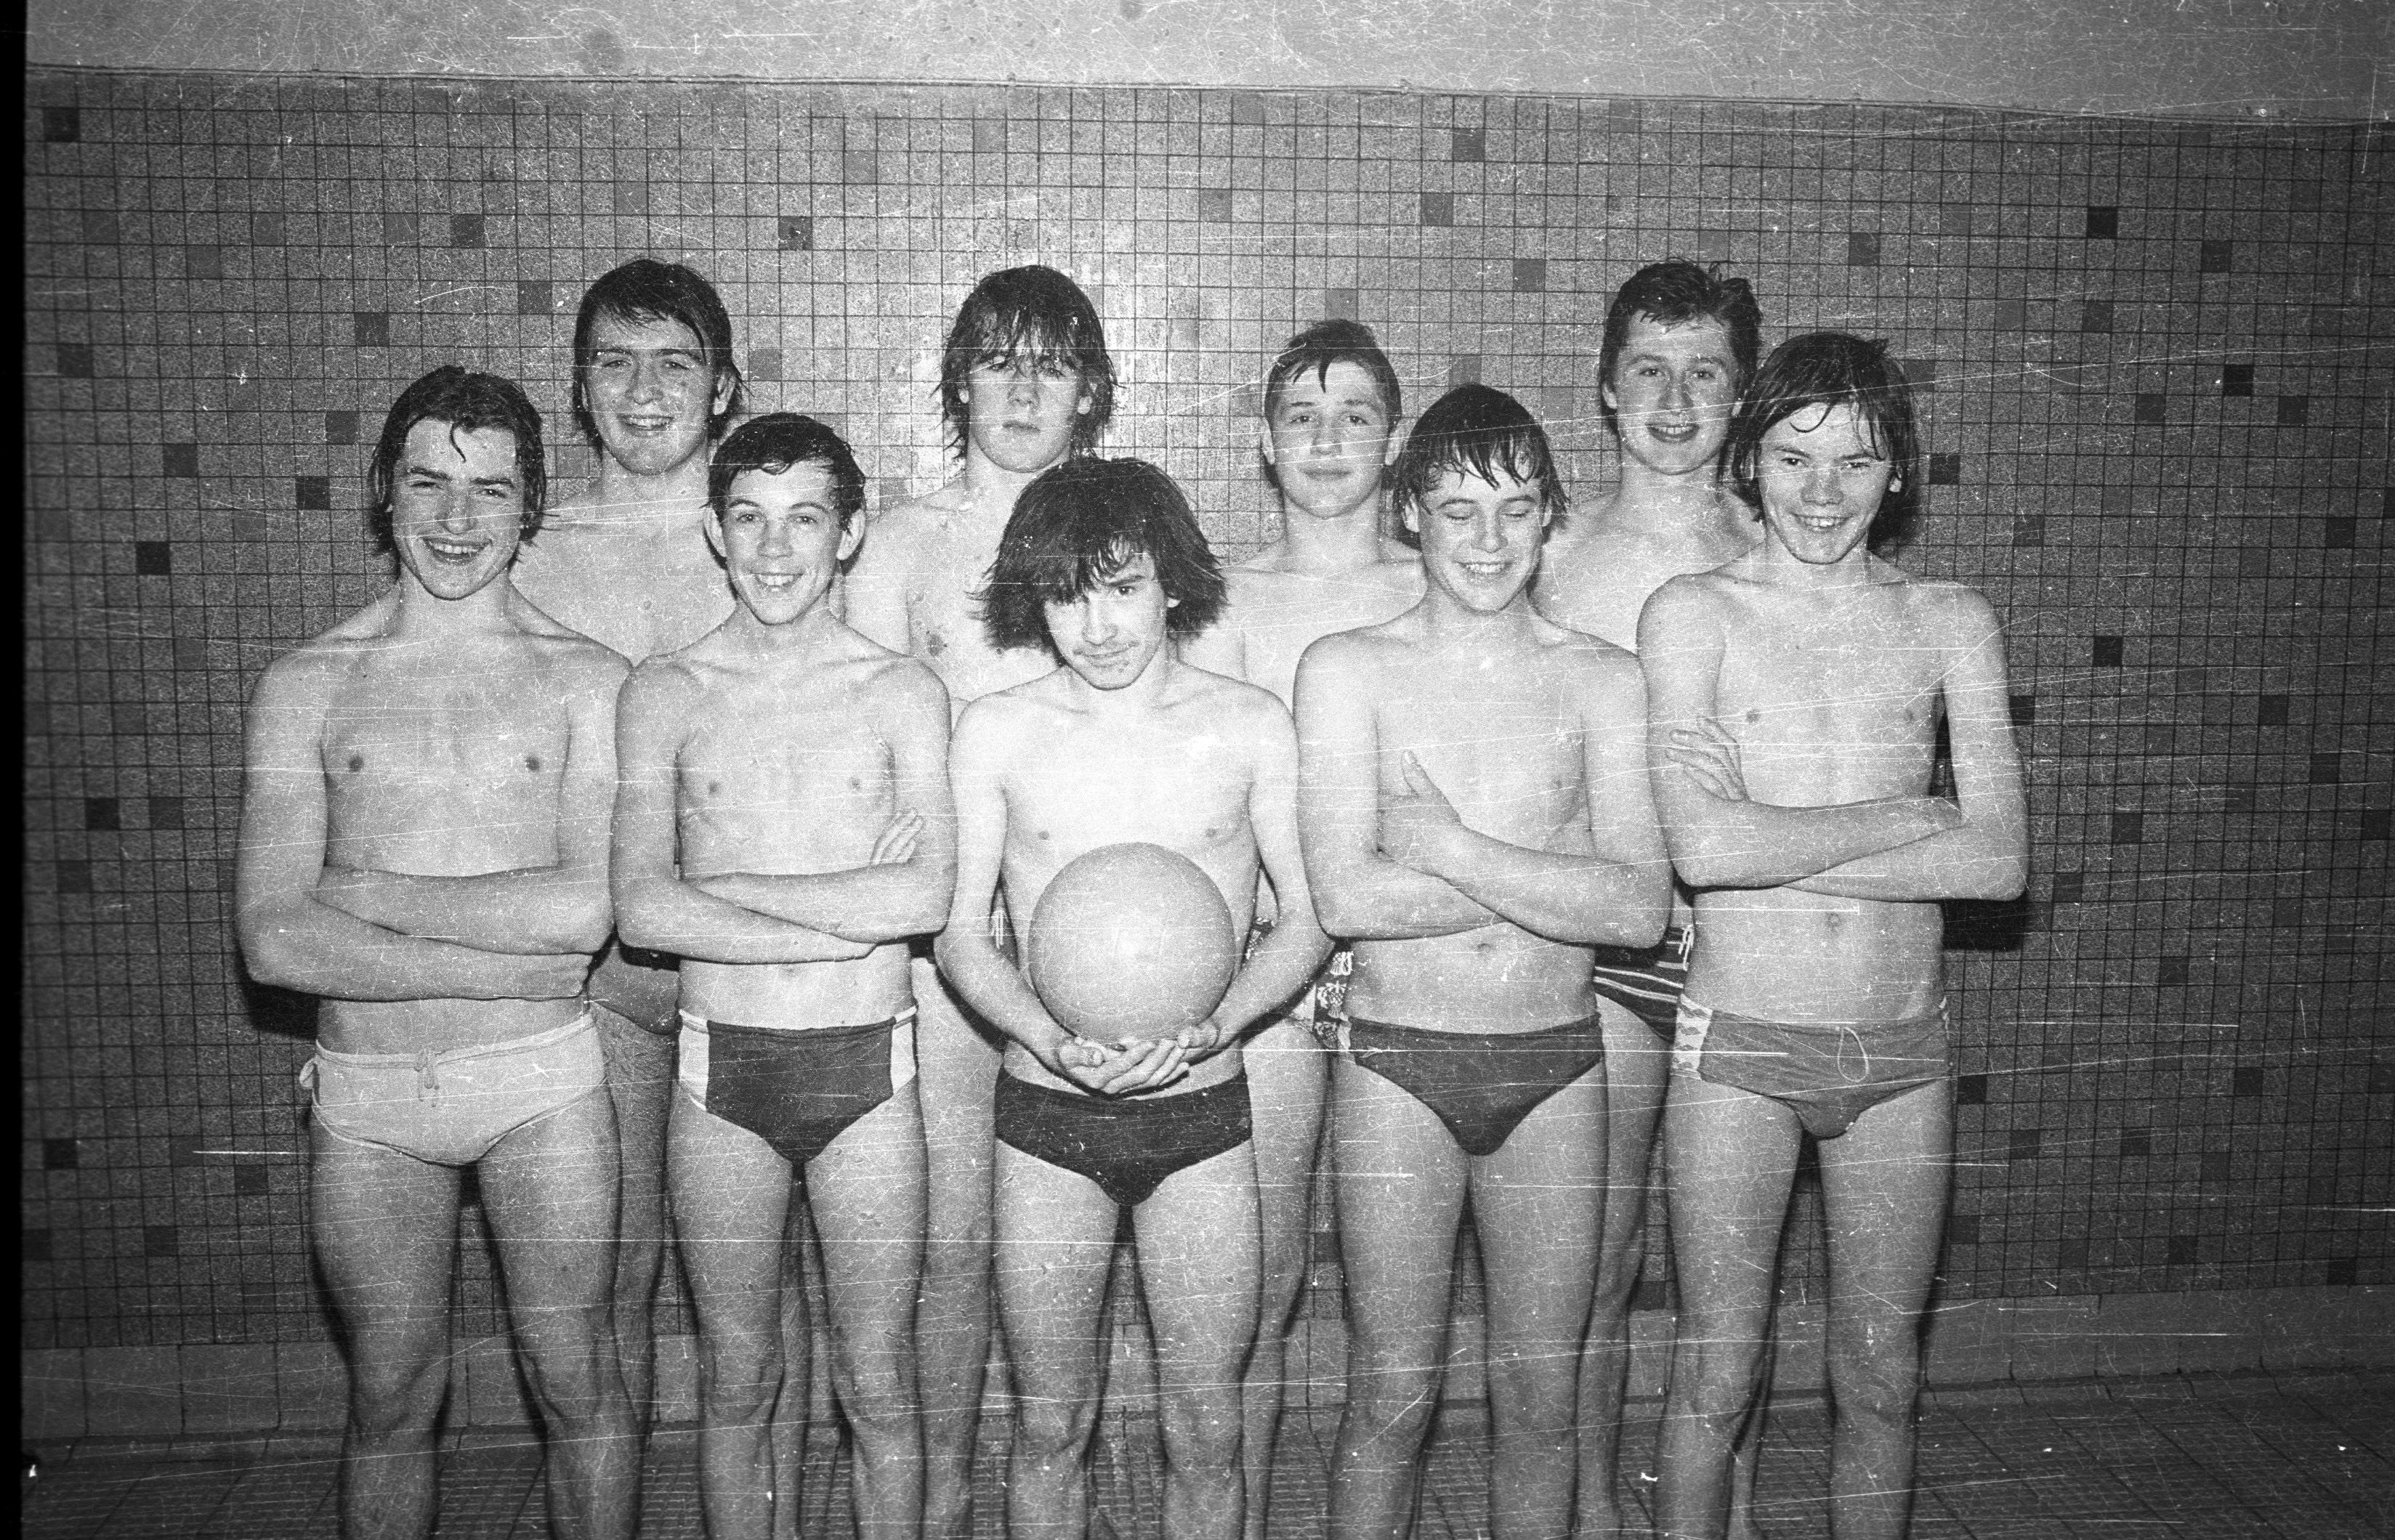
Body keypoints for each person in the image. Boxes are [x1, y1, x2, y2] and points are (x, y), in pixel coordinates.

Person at [236, 366, 637, 1540]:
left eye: (491, 491)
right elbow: (272, 939)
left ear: (531, 507)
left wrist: (366, 896)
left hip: (538, 1088)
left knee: (575, 1378)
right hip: (371, 1095)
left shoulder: (589, 680)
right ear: (383, 491)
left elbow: (584, 915)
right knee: (392, 1391)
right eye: (429, 484)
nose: (458, 520)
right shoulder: (307, 686)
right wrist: (501, 963)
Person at [1639, 333, 2027, 1540]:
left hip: (1901, 1049)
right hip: (1741, 1046)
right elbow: (1702, 854)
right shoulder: (1693, 614)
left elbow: (1998, 863)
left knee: (1882, 1377)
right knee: (1718, 1371)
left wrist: (1767, 829)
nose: (1823, 491)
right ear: (1750, 461)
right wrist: (1909, 816)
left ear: (1897, 473)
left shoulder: (1950, 620)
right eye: (1796, 457)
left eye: (1856, 462)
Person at [1296, 384, 1671, 1540]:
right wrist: (1552, 882)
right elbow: (1347, 897)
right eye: (1459, 511)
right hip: (1397, 1065)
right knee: (1392, 1394)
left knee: (1544, 1403)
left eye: (1515, 510)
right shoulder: (1346, 670)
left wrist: (1453, 848)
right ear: (1411, 512)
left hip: (1555, 1060)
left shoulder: (1603, 677)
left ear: (1550, 513)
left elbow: (1639, 907)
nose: (1489, 541)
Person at [937, 457, 1330, 1540]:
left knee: (1205, 1428)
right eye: (1069, 596)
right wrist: (1045, 1037)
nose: (1099, 625)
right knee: (1049, 1425)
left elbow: (1307, 919)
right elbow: (960, 934)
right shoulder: (997, 729)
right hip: (1048, 1112)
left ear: (1172, 584)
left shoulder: (1249, 724)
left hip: (1203, 1112)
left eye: (1123, 587)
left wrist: (1217, 1025)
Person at [611, 413, 952, 1540]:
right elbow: (644, 909)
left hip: (871, 1074)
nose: (774, 549)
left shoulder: (901, 690)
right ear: (715, 531)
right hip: (721, 1076)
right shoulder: (665, 690)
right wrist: (844, 916)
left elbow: (923, 899)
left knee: (878, 1377)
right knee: (738, 1378)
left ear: (849, 534)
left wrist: (733, 891)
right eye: (749, 519)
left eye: (804, 519)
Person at [843, 263, 1118, 1536]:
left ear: (1089, 392)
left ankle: (1058, 1492)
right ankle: (946, 1504)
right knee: (953, 1250)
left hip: (1094, 932)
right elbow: (855, 729)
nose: (1022, 389)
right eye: (998, 361)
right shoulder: (908, 542)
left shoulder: (1119, 535)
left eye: (1050, 365)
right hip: (947, 941)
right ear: (957, 382)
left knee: (1073, 1249)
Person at [1529, 259, 1770, 1536]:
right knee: (1602, 1255)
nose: (1676, 403)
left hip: (1749, 947)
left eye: (1705, 374)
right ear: (1608, 391)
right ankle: (1585, 1510)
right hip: (1610, 958)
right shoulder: (1555, 551)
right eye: (1649, 372)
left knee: (1728, 1276)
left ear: (1741, 396)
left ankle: (1719, 1508)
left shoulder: (1779, 544)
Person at [1179, 317, 1422, 1540]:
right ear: (1267, 445)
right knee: (1264, 1282)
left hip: (1409, 965)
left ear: (1394, 442)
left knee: (1396, 1305)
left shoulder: (1441, 581)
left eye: (1355, 417)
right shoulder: (1222, 601)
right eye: (1302, 418)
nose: (1328, 441)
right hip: (1272, 971)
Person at [511, 257, 745, 1428]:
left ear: (723, 388)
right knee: (616, 1273)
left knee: (752, 1289)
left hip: (748, 965)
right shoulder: (526, 557)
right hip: (595, 976)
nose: (645, 394)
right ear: (582, 388)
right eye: (615, 363)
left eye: (674, 365)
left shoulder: (768, 537)